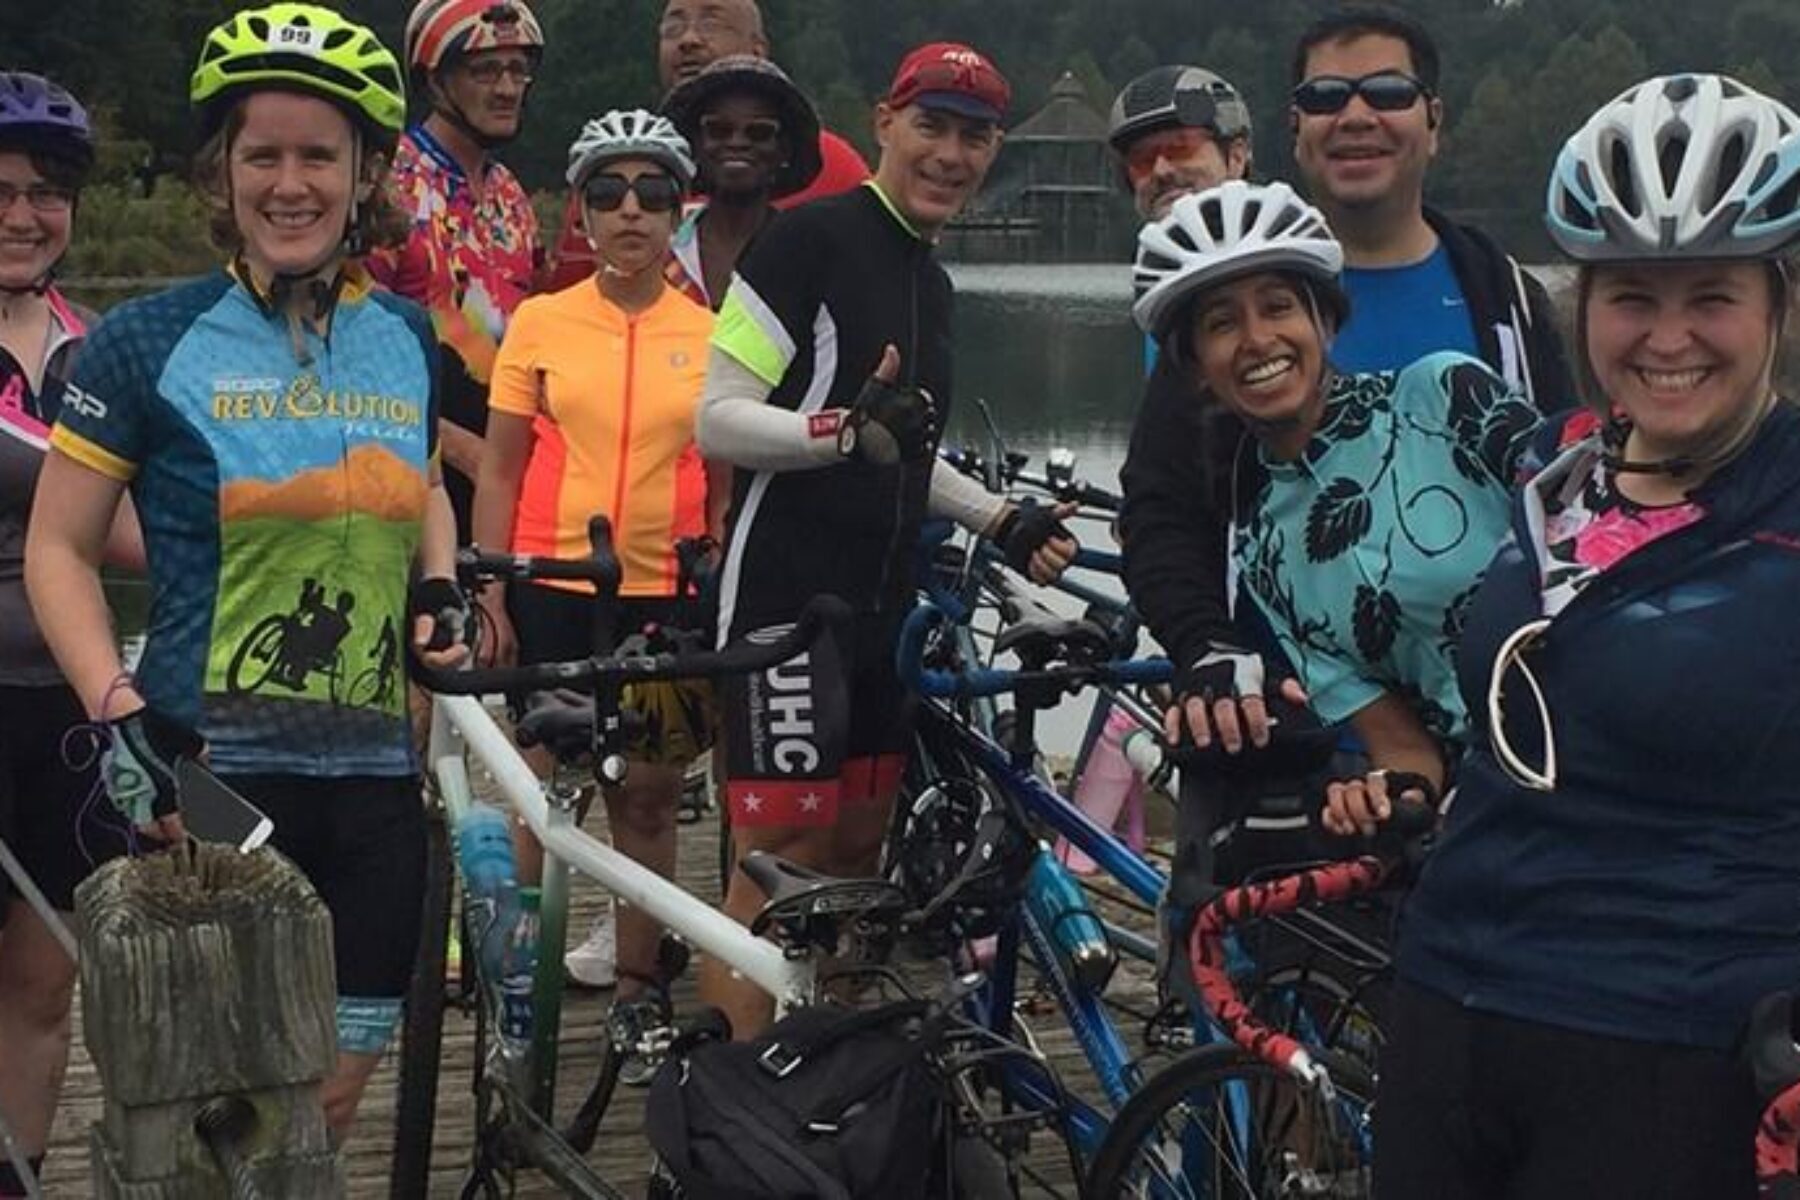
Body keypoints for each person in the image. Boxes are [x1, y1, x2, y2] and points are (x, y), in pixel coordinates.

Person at [1340, 73, 1800, 1198]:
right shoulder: (1555, 468)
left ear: (1779, 307)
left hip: (1674, 1047)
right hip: (1449, 1008)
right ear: (1585, 304)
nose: (1668, 337)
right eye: (1632, 296)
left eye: (1713, 297)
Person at [24, 3, 469, 1142]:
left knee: (332, 1096)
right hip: (209, 779)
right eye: (260, 155)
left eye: (318, 155)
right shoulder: (145, 341)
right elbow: (58, 548)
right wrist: (114, 705)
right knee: (220, 1106)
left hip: (375, 780)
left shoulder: (409, 336)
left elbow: (422, 481)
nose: (290, 183)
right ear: (220, 173)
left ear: (366, 172)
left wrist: (437, 584)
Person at [695, 41, 1075, 1038]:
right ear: (884, 123)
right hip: (787, 603)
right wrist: (836, 434)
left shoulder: (932, 284)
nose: (951, 153)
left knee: (858, 859)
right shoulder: (804, 243)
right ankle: (736, 1091)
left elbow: (907, 449)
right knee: (776, 862)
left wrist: (1000, 517)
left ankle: (829, 1066)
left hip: (884, 612)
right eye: (932, 126)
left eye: (975, 137)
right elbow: (717, 418)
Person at [1131, 178, 1540, 821]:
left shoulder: (1444, 397)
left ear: (1324, 321)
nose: (1257, 339)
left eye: (1278, 307)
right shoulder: (1267, 551)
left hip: (1611, 731)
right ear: (1197, 368)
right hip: (1494, 796)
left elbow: (1603, 527)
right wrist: (1384, 792)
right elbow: (1403, 745)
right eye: (1222, 323)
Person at [472, 109, 716, 1080]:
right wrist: (490, 591)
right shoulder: (540, 320)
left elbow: (726, 482)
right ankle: (518, 990)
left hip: (662, 593)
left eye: (653, 194)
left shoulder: (711, 333)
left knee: (646, 799)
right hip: (553, 584)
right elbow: (499, 468)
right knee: (540, 797)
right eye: (608, 193)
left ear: (679, 210)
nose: (630, 211)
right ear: (579, 210)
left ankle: (637, 992)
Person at [0, 71, 142, 1200]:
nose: (22, 215)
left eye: (46, 193)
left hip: (63, 702)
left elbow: (134, 537)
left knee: (45, 982)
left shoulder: (99, 353)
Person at [368, 0, 545, 542]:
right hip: (403, 475)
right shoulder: (386, 187)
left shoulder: (512, 197)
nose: (507, 88)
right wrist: (462, 450)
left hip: (504, 478)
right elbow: (350, 353)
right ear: (435, 80)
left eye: (518, 70)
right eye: (485, 70)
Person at [540, 0, 868, 291]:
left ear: (758, 49)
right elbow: (571, 308)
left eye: (711, 23)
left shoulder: (837, 167)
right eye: (673, 28)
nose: (689, 40)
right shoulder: (612, 173)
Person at [661, 55, 822, 311]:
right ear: (695, 143)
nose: (737, 142)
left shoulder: (808, 255)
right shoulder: (658, 245)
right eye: (718, 130)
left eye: (759, 133)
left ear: (784, 150)